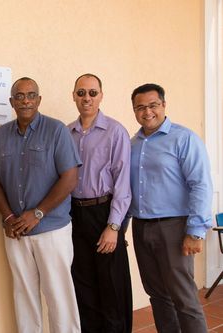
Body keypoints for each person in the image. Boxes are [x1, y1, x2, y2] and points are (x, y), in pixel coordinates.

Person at [0, 77, 81, 333]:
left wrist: (38, 213)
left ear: (39, 100)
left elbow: (70, 177)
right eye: (19, 96)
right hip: (15, 231)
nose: (25, 100)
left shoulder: (56, 130)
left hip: (52, 229)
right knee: (24, 294)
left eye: (31, 95)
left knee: (59, 296)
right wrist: (7, 217)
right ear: (11, 102)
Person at [129, 83, 212, 333]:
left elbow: (201, 184)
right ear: (134, 111)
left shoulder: (183, 138)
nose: (147, 112)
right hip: (141, 227)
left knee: (183, 297)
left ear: (163, 105)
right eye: (140, 107)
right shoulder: (133, 144)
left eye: (153, 105)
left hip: (175, 228)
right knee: (157, 295)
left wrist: (195, 231)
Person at [68, 73, 132, 333]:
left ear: (101, 96)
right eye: (81, 92)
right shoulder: (66, 132)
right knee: (82, 284)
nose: (87, 98)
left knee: (112, 285)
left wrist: (114, 226)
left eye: (92, 93)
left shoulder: (115, 131)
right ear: (73, 96)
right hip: (74, 214)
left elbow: (123, 183)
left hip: (104, 213)